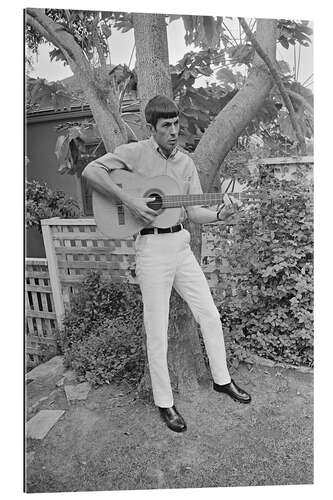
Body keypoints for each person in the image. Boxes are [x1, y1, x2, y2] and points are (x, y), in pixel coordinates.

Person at [82, 95, 251, 433]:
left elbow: (195, 212)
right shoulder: (134, 153)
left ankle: (221, 379)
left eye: (177, 125)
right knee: (157, 329)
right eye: (167, 126)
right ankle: (165, 402)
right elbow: (91, 171)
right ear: (152, 128)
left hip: (180, 246)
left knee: (210, 313)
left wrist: (221, 212)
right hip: (150, 249)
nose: (174, 131)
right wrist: (130, 200)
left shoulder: (186, 164)